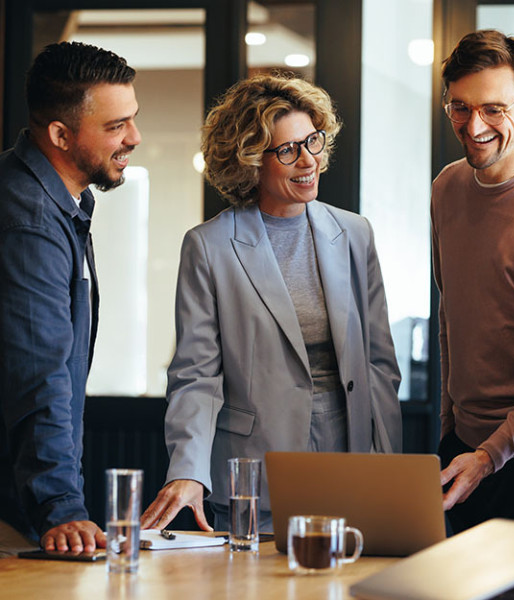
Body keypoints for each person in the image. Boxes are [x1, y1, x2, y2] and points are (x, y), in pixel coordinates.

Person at [140, 74, 402, 533]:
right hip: (254, 468)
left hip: (351, 459)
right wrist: (188, 469)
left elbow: (380, 364)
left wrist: (388, 467)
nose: (308, 161)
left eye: (313, 142)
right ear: (250, 161)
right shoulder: (210, 246)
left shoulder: (354, 233)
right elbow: (195, 375)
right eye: (287, 150)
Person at [0, 42, 141, 557]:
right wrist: (60, 507)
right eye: (115, 126)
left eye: (133, 119)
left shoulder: (59, 200)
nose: (134, 138)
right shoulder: (31, 220)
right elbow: (38, 372)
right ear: (59, 134)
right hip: (15, 512)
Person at [432, 29, 514, 533]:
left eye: (494, 109)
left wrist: (489, 456)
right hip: (461, 451)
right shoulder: (446, 188)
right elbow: (451, 318)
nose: (474, 126)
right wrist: (451, 435)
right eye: (460, 108)